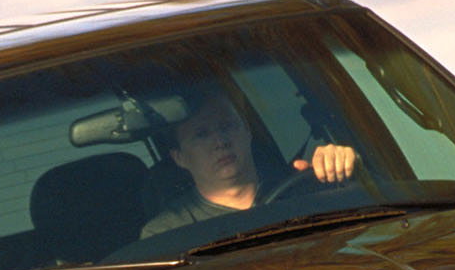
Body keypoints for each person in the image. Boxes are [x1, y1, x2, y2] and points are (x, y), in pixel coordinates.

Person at [140, 86, 359, 237]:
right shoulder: (167, 233)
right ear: (179, 157)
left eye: (226, 127)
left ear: (247, 130)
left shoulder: (308, 190)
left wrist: (350, 167)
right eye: (201, 135)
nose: (220, 142)